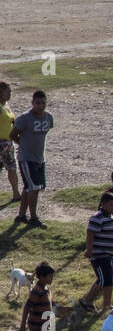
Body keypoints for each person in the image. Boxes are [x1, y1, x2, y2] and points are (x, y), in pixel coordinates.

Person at [10, 90, 53, 228]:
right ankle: (34, 218)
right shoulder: (25, 118)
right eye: (38, 103)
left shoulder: (48, 117)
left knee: (30, 187)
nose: (40, 106)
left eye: (43, 103)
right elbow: (13, 135)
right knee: (34, 187)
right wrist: (23, 146)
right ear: (32, 103)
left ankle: (21, 215)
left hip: (40, 158)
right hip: (26, 158)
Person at [77, 192, 113, 314]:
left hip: (110, 256)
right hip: (99, 256)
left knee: (110, 279)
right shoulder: (97, 218)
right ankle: (87, 300)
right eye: (111, 204)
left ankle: (107, 304)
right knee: (103, 279)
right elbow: (90, 234)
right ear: (103, 204)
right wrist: (89, 249)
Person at [0, 83, 20, 202]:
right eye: (7, 91)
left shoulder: (6, 105)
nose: (10, 93)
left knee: (12, 168)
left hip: (8, 142)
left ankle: (16, 193)